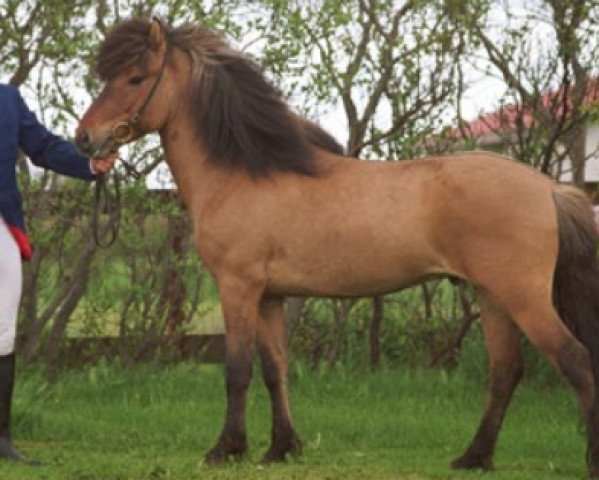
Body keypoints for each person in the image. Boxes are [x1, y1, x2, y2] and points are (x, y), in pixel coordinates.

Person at [0, 83, 116, 464]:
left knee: (2, 333)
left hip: (2, 225)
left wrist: (88, 165)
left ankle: (1, 439)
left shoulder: (6, 98)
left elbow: (43, 146)